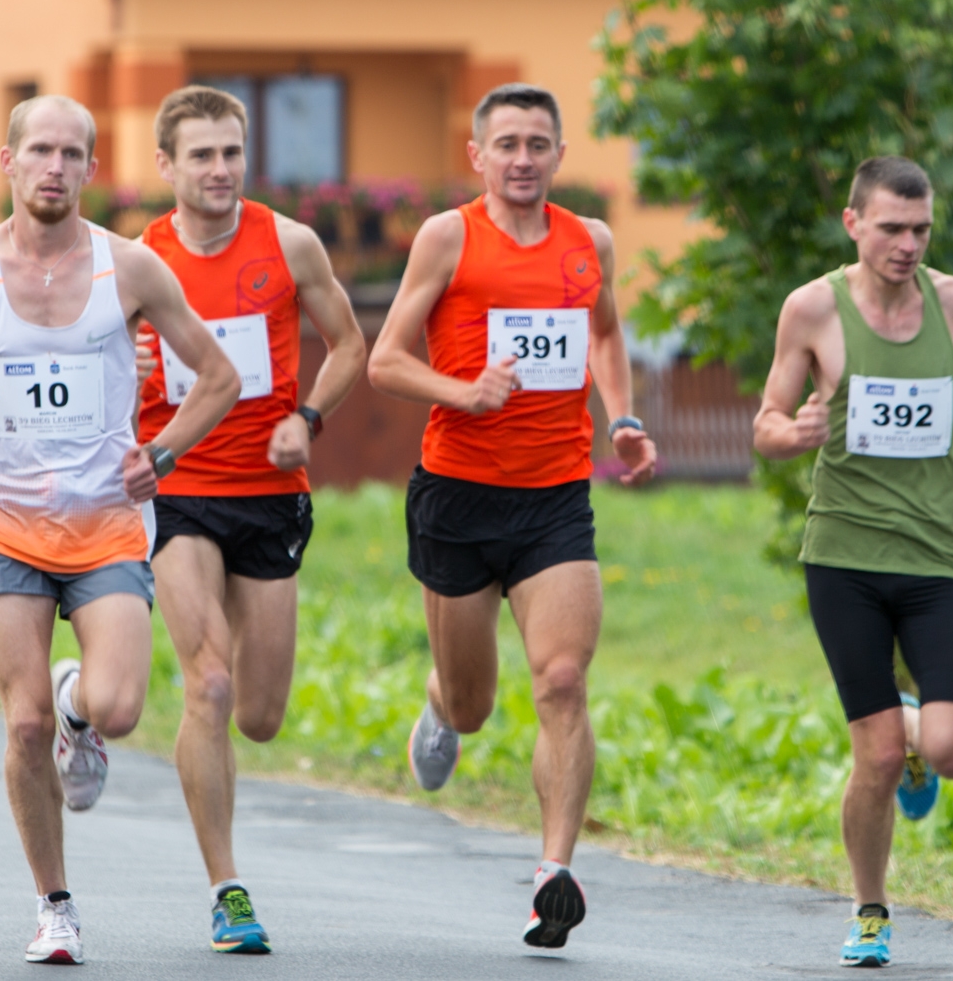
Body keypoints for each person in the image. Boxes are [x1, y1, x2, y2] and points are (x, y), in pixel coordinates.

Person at [0, 94, 239, 966]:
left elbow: (219, 376)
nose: (55, 168)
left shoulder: (133, 269)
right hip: (3, 526)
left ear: (91, 168)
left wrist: (166, 450)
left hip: (108, 524)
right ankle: (55, 906)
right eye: (40, 151)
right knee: (24, 723)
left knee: (115, 703)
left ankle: (83, 707)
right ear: (7, 162)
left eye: (73, 154)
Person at [367, 83, 658, 949]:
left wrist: (625, 417)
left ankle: (552, 874)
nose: (523, 159)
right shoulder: (448, 237)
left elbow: (605, 334)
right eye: (508, 145)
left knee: (563, 679)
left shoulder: (588, 241)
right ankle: (438, 699)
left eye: (538, 144)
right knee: (472, 705)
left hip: (556, 496)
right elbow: (385, 359)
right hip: (458, 493)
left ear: (560, 154)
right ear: (479, 156)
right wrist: (465, 390)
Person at [753, 156, 953, 967]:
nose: (908, 244)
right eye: (893, 227)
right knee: (871, 755)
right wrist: (787, 433)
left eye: (921, 229)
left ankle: (913, 724)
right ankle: (871, 910)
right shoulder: (812, 310)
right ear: (853, 223)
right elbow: (766, 416)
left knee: (952, 751)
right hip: (842, 556)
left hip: (936, 556)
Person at [136, 86, 366, 954]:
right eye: (202, 155)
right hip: (177, 485)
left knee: (262, 714)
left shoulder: (289, 243)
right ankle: (227, 888)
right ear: (167, 166)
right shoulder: (141, 261)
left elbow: (350, 345)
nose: (221, 169)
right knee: (211, 683)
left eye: (232, 152)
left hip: (269, 494)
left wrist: (305, 418)